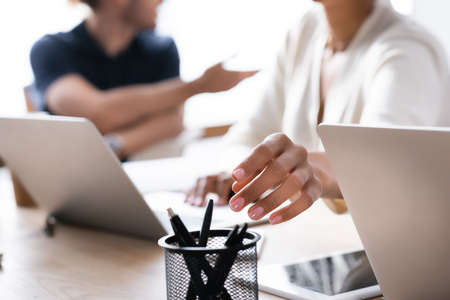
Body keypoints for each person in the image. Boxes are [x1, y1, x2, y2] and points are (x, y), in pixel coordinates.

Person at [186, 0, 450, 225]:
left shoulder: (408, 51)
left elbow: (382, 158)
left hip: (384, 253)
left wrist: (315, 171)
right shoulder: (306, 31)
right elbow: (248, 134)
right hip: (307, 244)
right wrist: (238, 174)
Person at [30, 0, 256, 159]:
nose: (161, 2)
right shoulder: (50, 49)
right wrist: (198, 86)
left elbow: (173, 122)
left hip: (145, 176)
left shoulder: (162, 50)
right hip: (71, 183)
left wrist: (112, 146)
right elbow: (96, 113)